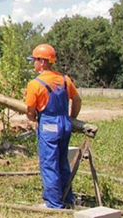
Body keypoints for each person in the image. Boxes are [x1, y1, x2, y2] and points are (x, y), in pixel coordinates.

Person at [25, 43, 82, 209]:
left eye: (35, 60)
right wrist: (71, 118)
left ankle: (53, 203)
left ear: (42, 62)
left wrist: (33, 119)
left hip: (49, 124)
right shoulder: (65, 80)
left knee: (49, 163)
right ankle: (67, 198)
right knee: (62, 161)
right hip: (65, 123)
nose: (33, 63)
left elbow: (30, 109)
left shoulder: (35, 84)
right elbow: (77, 100)